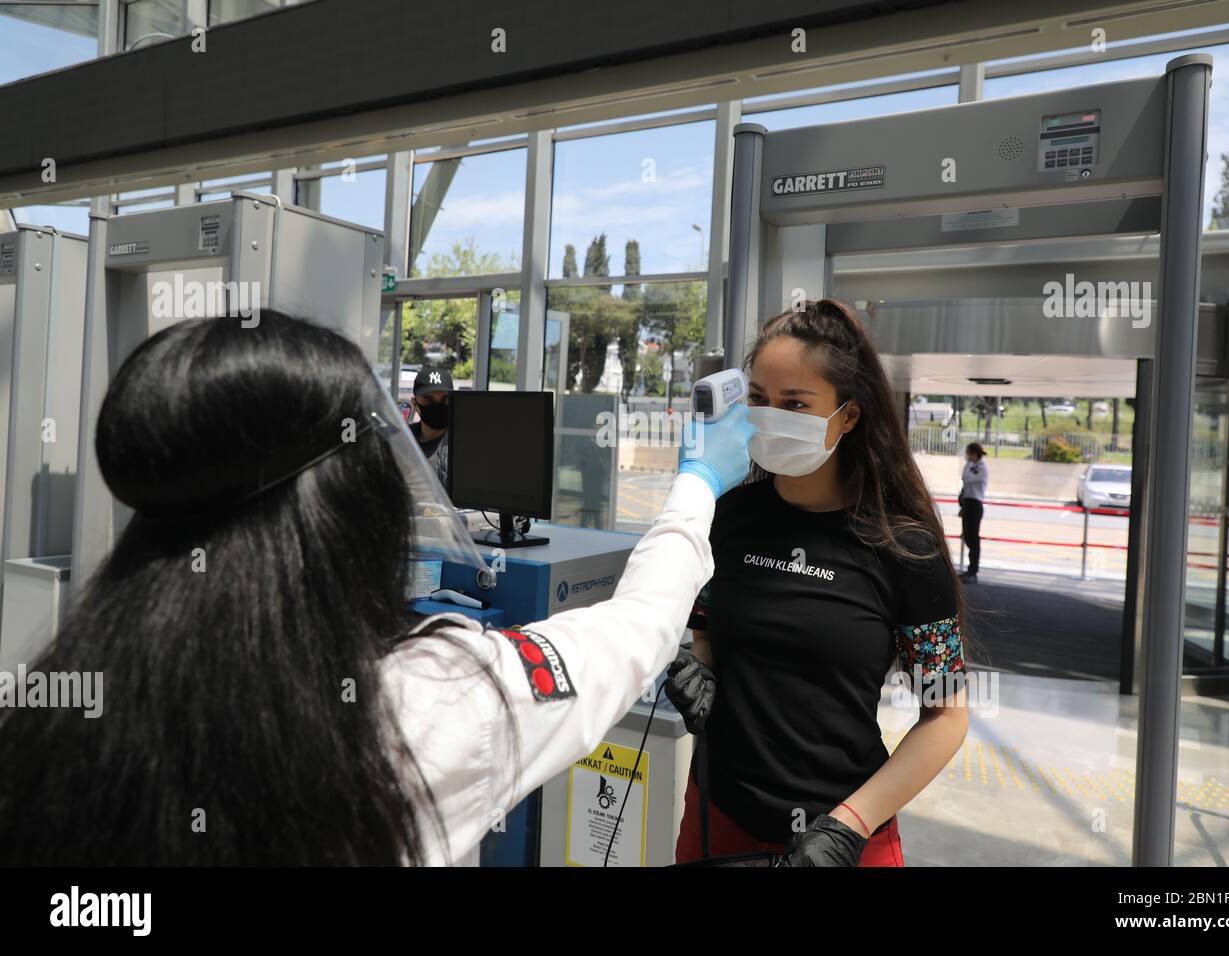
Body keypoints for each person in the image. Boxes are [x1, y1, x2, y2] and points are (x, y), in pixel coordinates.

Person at [0, 310, 755, 866]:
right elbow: (636, 629)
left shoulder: (59, 713)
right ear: (343, 508)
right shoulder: (424, 706)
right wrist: (697, 481)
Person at [665, 298, 969, 867]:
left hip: (845, 837)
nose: (770, 416)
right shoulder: (725, 516)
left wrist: (848, 827)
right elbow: (706, 638)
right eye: (758, 400)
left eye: (795, 404)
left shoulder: (905, 549)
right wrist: (696, 673)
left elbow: (946, 715)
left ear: (848, 416)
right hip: (719, 816)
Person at [409, 362, 452, 487]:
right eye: (428, 399)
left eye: (445, 399)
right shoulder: (400, 442)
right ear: (415, 404)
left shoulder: (462, 445)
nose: (437, 405)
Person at [959, 442, 988, 583]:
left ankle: (973, 571)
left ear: (975, 453)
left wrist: (969, 468)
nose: (968, 456)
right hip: (967, 502)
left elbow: (969, 478)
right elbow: (964, 477)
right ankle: (970, 569)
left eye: (969, 453)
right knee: (967, 536)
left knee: (973, 538)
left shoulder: (982, 467)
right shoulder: (969, 465)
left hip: (975, 504)